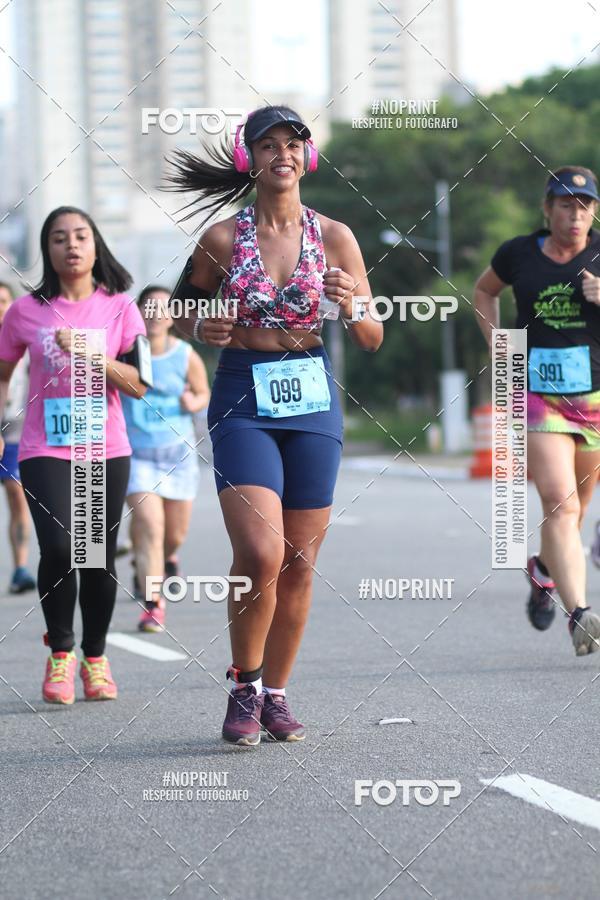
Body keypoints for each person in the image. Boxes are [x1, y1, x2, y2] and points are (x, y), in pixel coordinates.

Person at [167, 104, 383, 745]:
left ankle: (277, 695)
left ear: (307, 158)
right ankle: (246, 683)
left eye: (293, 143)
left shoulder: (336, 236)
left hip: (311, 395)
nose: (282, 154)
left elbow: (372, 336)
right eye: (268, 144)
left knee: (299, 562)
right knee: (261, 551)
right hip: (242, 394)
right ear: (249, 158)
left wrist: (352, 305)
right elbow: (176, 313)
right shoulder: (221, 239)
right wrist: (200, 327)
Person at [0, 206, 148, 704]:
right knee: (61, 549)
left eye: (81, 236)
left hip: (103, 447)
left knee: (96, 557)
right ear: (48, 249)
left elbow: (139, 384)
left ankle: (96, 657)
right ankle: (61, 652)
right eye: (59, 238)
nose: (71, 245)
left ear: (95, 244)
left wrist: (93, 355)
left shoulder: (121, 307)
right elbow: (3, 372)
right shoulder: (26, 311)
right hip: (44, 447)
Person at [474, 166, 600, 655]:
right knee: (560, 504)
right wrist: (498, 343)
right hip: (538, 394)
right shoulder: (518, 253)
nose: (576, 215)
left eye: (585, 206)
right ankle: (581, 615)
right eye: (566, 205)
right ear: (547, 210)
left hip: (594, 397)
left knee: (578, 507)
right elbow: (484, 291)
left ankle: (543, 569)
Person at [121, 285, 210, 633]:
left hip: (177, 455)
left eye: (163, 308)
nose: (155, 315)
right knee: (150, 525)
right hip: (137, 455)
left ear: (173, 316)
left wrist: (194, 401)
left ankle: (163, 558)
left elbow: (202, 392)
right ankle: (154, 604)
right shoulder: (125, 353)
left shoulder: (185, 354)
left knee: (173, 535)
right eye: (149, 308)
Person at [0, 281, 36, 593]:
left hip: (14, 428)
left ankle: (20, 568)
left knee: (16, 492)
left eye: (2, 301)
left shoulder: (23, 340)